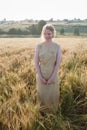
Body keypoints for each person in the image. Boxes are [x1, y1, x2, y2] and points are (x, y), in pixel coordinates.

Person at [34, 24, 62, 114]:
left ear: (53, 34)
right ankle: (42, 115)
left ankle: (52, 115)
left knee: (52, 96)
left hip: (53, 74)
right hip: (41, 74)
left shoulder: (57, 46)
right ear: (43, 34)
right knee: (42, 96)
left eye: (49, 34)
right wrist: (41, 77)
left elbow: (57, 63)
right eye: (45, 34)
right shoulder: (39, 46)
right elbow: (36, 63)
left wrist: (52, 78)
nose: (47, 36)